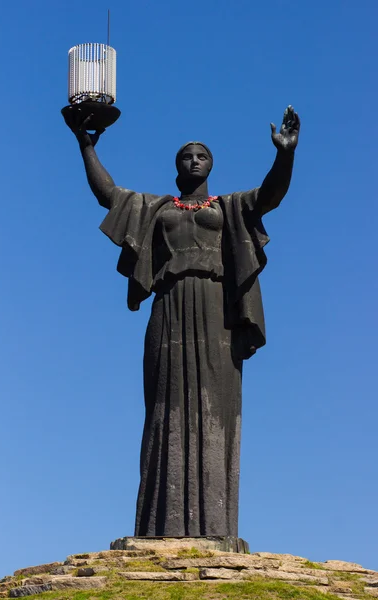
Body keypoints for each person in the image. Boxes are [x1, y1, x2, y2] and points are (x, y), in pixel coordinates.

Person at [63, 106, 300, 538]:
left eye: (201, 156)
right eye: (186, 156)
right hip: (168, 306)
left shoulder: (228, 207)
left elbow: (270, 195)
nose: (194, 160)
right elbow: (108, 195)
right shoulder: (156, 209)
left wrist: (285, 155)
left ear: (211, 165)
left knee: (217, 409)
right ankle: (158, 527)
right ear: (176, 166)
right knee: (164, 407)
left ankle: (215, 525)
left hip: (217, 311)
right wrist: (86, 145)